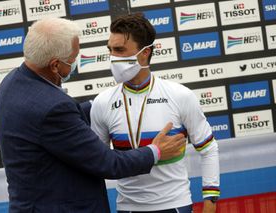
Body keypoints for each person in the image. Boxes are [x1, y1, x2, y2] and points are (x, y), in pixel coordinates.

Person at [0, 17, 186, 213]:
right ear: (54, 65)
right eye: (72, 59)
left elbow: (58, 121)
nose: (75, 63)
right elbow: (109, 163)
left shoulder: (13, 81)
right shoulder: (53, 108)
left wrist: (103, 101)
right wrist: (156, 151)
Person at [90, 13, 220, 213]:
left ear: (145, 53)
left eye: (120, 50)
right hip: (127, 207)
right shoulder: (102, 102)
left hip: (175, 205)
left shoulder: (180, 95)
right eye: (110, 50)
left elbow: (208, 148)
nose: (112, 58)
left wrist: (210, 203)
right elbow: (97, 162)